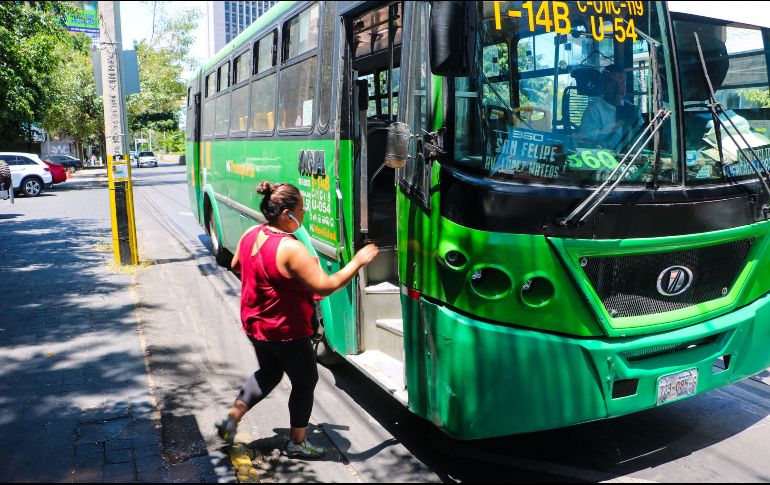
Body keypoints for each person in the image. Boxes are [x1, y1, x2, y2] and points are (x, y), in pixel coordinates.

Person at [215, 181, 379, 458]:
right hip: (287, 330)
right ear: (285, 214)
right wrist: (358, 262)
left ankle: (232, 418)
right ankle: (298, 442)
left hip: (256, 325)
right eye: (301, 211)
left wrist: (269, 287)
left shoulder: (252, 233)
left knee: (269, 373)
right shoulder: (290, 249)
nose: (304, 216)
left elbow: (236, 265)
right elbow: (325, 286)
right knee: (305, 381)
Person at [577, 64, 642, 150]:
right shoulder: (593, 110)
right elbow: (584, 142)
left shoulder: (633, 110)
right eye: (613, 83)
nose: (619, 88)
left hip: (630, 161)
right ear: (604, 85)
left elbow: (641, 140)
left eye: (622, 83)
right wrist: (611, 129)